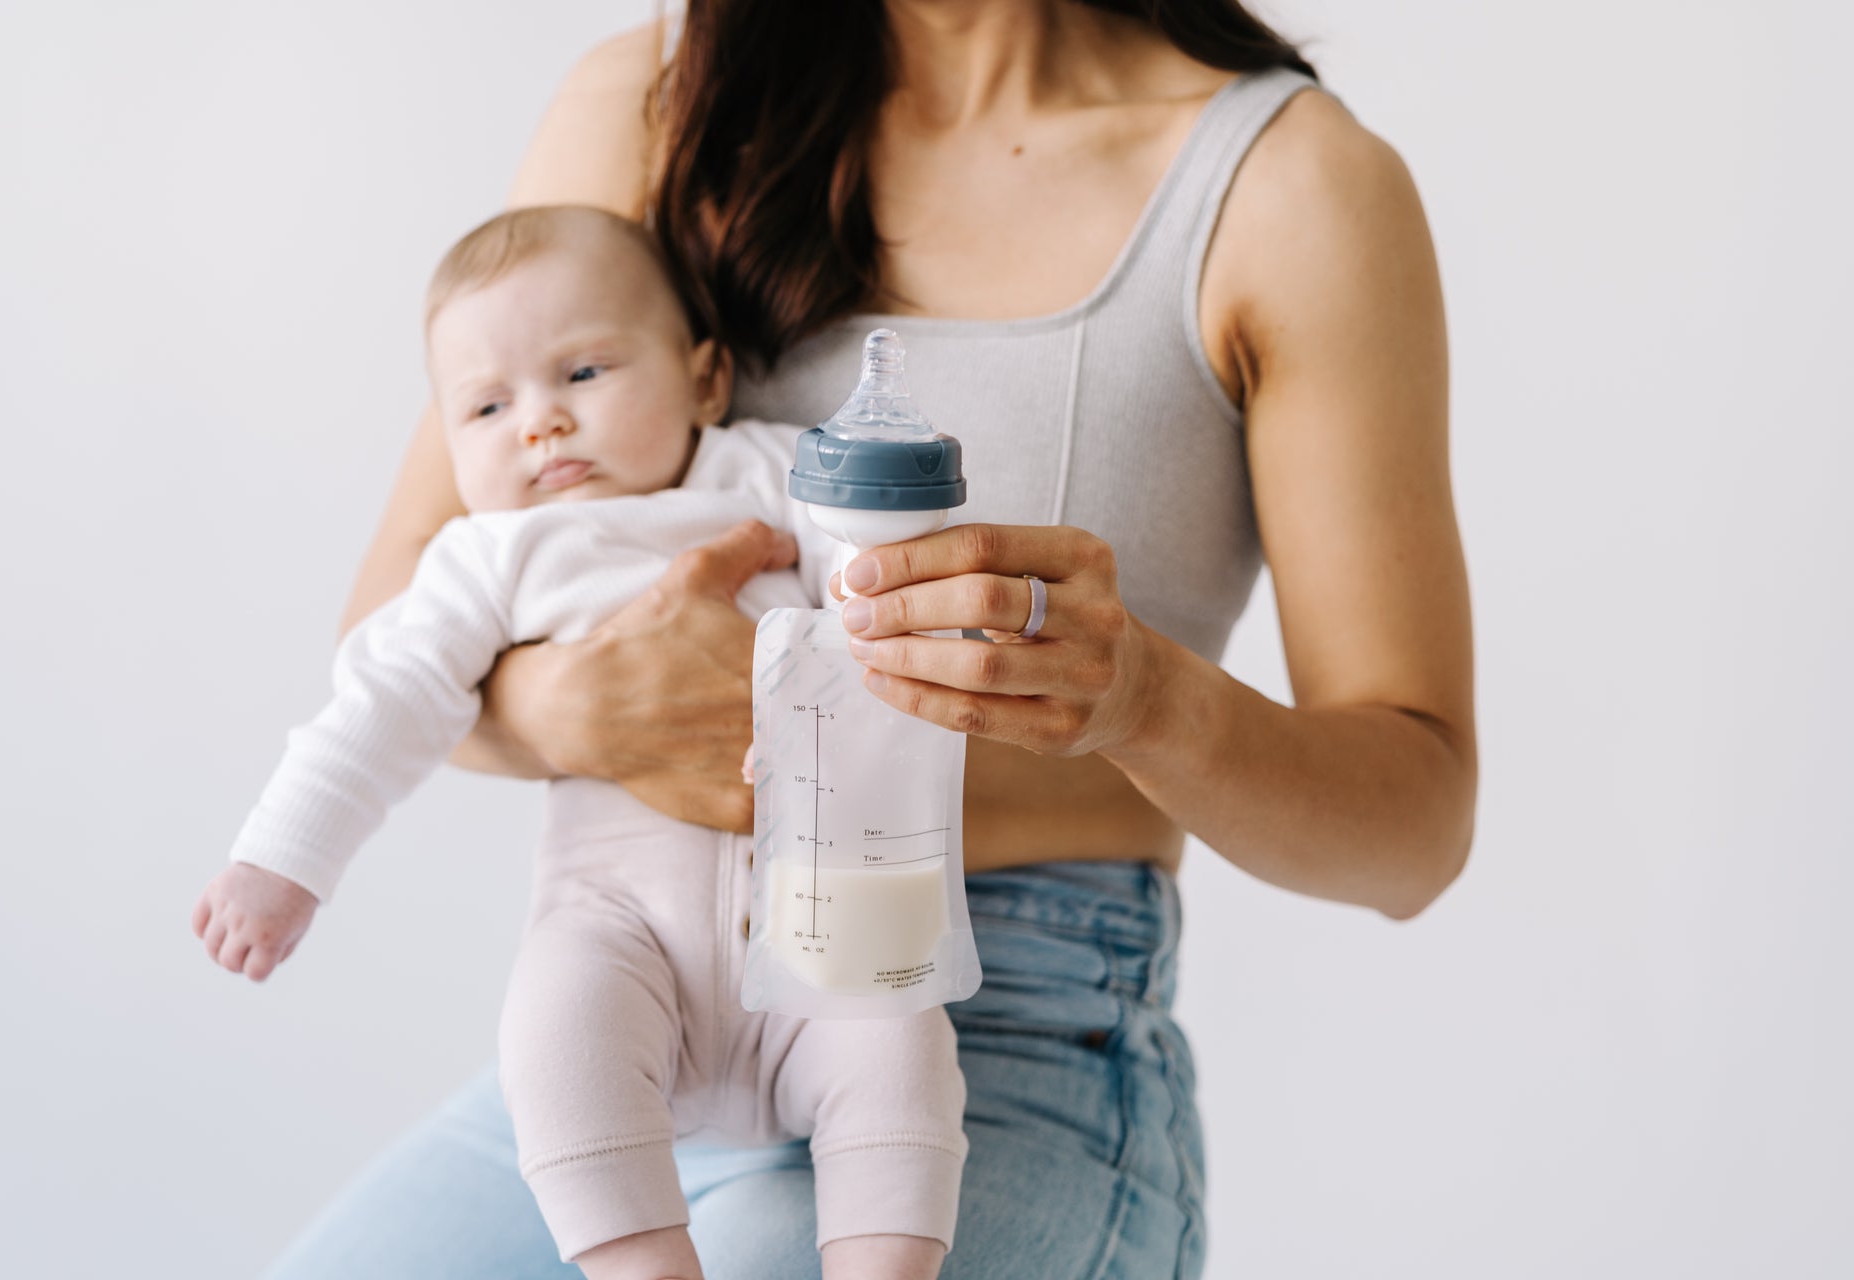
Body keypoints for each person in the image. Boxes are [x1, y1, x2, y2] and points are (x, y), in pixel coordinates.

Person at [266, 1, 1476, 1277]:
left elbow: (1416, 825)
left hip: (994, 1012)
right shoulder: (657, 102)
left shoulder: (1288, 188)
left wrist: (1151, 701)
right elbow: (397, 619)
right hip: (637, 1007)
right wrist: (598, 707)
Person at [196, 206, 968, 1280]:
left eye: (585, 373)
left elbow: (874, 582)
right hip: (621, 929)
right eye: (487, 404)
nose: (541, 424)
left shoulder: (771, 477)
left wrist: (870, 594)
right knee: (553, 1035)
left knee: (898, 1042)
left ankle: (883, 1261)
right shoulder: (491, 556)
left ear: (705, 379)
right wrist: (283, 857)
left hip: (827, 921)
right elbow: (383, 694)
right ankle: (640, 1261)